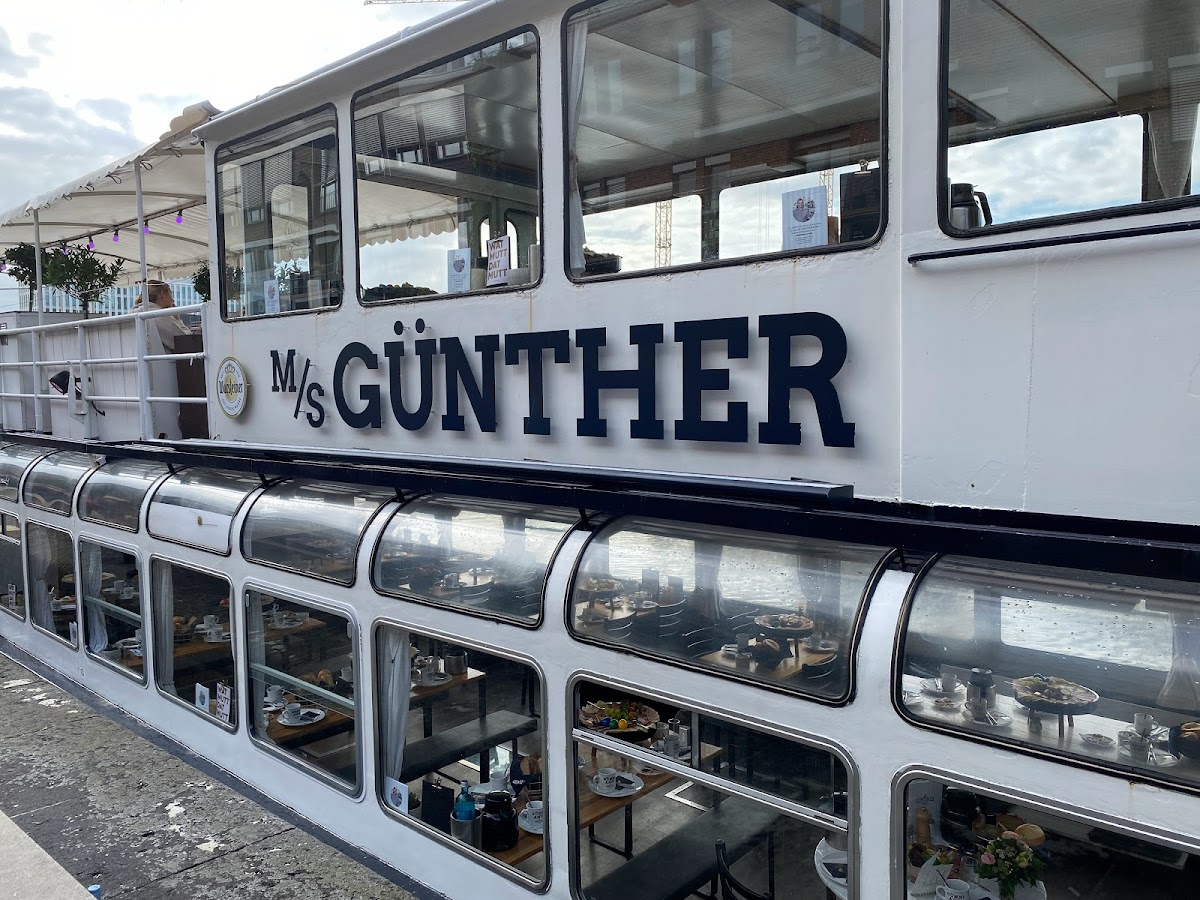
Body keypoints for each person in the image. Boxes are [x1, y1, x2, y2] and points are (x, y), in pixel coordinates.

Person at [133, 280, 194, 440]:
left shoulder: (134, 313)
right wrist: (177, 319)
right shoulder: (158, 315)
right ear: (163, 294)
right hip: (165, 380)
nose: (173, 298)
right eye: (171, 294)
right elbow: (186, 341)